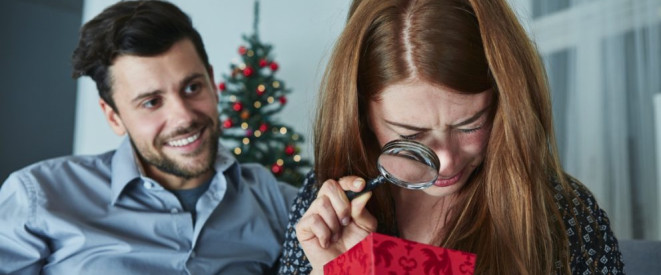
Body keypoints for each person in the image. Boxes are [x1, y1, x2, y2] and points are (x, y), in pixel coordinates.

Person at [278, 0, 624, 274]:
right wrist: (337, 271)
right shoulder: (323, 204)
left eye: (469, 125)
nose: (445, 162)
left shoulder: (566, 214)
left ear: (504, 105)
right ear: (362, 115)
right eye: (411, 135)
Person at [0, 1, 296, 274]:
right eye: (151, 102)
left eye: (192, 87)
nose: (184, 117)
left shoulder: (275, 202)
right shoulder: (38, 198)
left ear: (212, 83)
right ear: (114, 116)